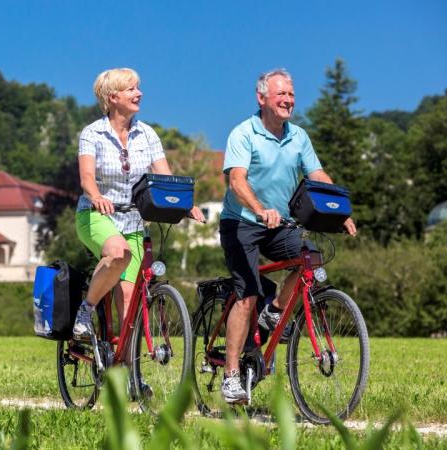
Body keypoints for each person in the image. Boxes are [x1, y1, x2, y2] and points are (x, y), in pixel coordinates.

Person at [218, 68, 357, 404]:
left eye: (291, 96)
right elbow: (236, 182)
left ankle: (275, 311)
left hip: (280, 223)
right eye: (282, 95)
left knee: (311, 259)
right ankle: (231, 375)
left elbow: (317, 174)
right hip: (242, 223)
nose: (288, 101)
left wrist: (340, 209)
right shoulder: (243, 133)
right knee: (247, 294)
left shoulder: (298, 137)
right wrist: (260, 208)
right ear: (262, 97)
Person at [72, 68, 204, 353]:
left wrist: (185, 205)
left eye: (138, 87)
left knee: (131, 301)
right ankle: (87, 309)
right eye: (131, 89)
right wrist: (96, 197)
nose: (139, 93)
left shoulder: (147, 134)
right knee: (118, 253)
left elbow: (165, 179)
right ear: (113, 97)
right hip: (96, 216)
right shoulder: (92, 133)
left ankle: (129, 370)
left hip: (133, 221)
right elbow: (86, 178)